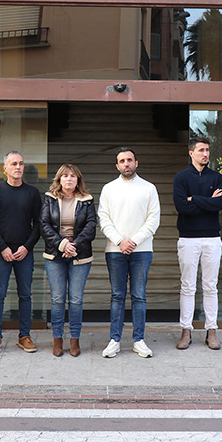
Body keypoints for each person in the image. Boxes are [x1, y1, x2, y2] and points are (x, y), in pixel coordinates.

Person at [98, 147, 160, 358]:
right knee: (117, 296)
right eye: (122, 161)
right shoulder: (108, 189)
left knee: (139, 296)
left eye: (130, 160)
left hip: (142, 251)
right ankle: (114, 340)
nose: (126, 163)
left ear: (136, 163)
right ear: (117, 166)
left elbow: (153, 219)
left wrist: (132, 241)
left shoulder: (149, 188)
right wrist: (119, 241)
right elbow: (103, 219)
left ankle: (139, 340)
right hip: (115, 250)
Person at [172, 135, 222, 350]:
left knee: (210, 286)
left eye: (207, 150)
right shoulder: (181, 178)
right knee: (187, 286)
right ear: (191, 152)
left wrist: (193, 199)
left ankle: (211, 330)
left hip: (212, 238)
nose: (205, 154)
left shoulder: (217, 177)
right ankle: (186, 330)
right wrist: (207, 201)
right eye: (201, 150)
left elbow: (220, 203)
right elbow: (181, 207)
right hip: (188, 238)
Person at [0, 151, 42, 355]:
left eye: (21, 163)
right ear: (5, 169)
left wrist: (27, 247)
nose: (18, 167)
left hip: (24, 252)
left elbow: (38, 224)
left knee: (25, 294)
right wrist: (3, 248)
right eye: (13, 164)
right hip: (2, 251)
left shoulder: (33, 193)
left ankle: (24, 336)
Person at [40, 164, 97, 357]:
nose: (69, 179)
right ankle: (57, 339)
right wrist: (62, 244)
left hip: (80, 255)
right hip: (55, 255)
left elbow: (91, 227)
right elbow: (44, 225)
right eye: (65, 176)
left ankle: (74, 340)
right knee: (57, 299)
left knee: (75, 299)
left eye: (73, 176)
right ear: (59, 180)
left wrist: (73, 246)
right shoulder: (50, 198)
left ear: (78, 180)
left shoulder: (87, 200)